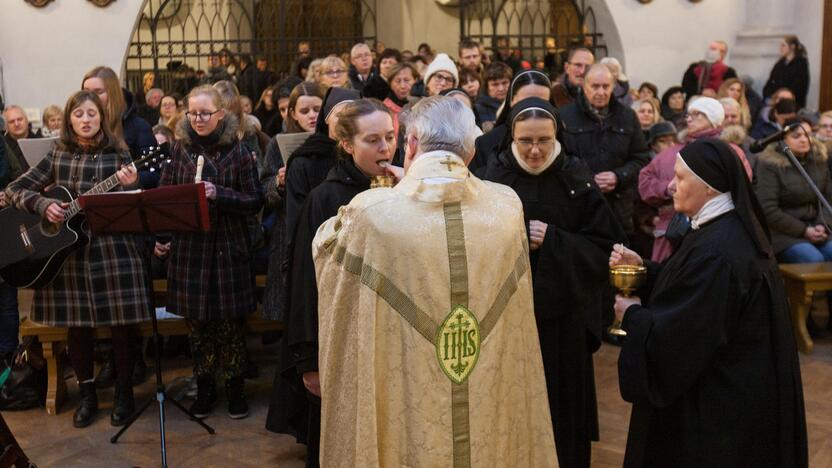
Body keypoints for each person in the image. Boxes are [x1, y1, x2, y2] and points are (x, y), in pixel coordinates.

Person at [313, 95, 558, 466]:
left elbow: (325, 245)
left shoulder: (372, 212)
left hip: (406, 388)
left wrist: (389, 194)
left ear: (411, 144)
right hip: (486, 381)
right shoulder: (506, 208)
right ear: (471, 150)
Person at [611, 138, 807, 467]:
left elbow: (685, 334)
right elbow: (689, 288)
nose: (671, 185)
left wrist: (632, 317)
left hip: (717, 408)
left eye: (681, 177)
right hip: (730, 390)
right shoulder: (717, 230)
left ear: (710, 188)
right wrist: (644, 271)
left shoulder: (719, 251)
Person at [482, 97, 624, 468]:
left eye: (543, 140)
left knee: (563, 415)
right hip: (507, 318)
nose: (534, 150)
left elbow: (606, 248)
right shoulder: (492, 180)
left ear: (556, 135)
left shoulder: (577, 177)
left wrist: (555, 240)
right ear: (511, 135)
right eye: (525, 140)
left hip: (565, 323)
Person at [5, 90, 152, 428]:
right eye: (79, 114)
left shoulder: (119, 155)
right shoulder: (57, 155)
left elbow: (134, 205)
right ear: (70, 120)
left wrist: (133, 183)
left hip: (114, 250)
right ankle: (86, 393)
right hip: (67, 256)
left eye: (92, 114)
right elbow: (16, 189)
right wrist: (43, 205)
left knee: (121, 327)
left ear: (102, 118)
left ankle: (124, 394)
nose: (86, 120)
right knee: (78, 328)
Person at [267, 98, 395, 468]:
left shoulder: (401, 189)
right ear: (347, 144)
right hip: (339, 341)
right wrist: (309, 360)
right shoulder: (327, 198)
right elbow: (306, 284)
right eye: (372, 140)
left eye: (389, 137)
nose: (385, 148)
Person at [159, 85, 263, 420]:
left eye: (206, 113)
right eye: (193, 113)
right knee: (199, 328)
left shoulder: (240, 151)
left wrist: (219, 193)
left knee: (229, 328)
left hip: (227, 249)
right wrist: (165, 232)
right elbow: (164, 196)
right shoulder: (179, 151)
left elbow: (255, 200)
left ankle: (234, 389)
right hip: (191, 250)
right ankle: (204, 388)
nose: (199, 119)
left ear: (221, 114)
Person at [639, 97, 752, 263]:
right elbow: (644, 181)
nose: (689, 118)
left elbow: (741, 188)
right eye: (688, 114)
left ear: (713, 118)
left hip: (716, 233)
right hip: (670, 231)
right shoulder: (673, 151)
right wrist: (667, 188)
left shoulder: (730, 152)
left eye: (697, 114)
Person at [755, 120, 832, 335]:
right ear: (783, 140)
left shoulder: (819, 160)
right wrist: (804, 231)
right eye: (797, 135)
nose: (804, 139)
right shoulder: (770, 163)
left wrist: (821, 225)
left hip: (818, 228)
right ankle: (802, 323)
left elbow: (827, 199)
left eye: (808, 135)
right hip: (784, 233)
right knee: (812, 259)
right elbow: (767, 209)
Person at [559, 64, 650, 236]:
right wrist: (588, 179)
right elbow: (560, 160)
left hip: (619, 210)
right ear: (584, 86)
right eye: (595, 86)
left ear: (613, 87)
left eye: (606, 86)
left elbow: (641, 158)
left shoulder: (628, 116)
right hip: (580, 208)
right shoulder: (564, 116)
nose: (601, 92)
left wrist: (619, 176)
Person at [82, 66, 157, 188]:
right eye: (86, 92)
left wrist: (136, 180)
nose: (90, 97)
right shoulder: (79, 127)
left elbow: (155, 175)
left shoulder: (138, 127)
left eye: (98, 92)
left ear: (113, 94)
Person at [471, 69, 552, 175]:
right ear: (511, 101)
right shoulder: (486, 144)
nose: (533, 108)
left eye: (542, 102)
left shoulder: (566, 144)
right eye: (525, 102)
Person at [0, 137, 23, 366]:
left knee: (7, 297)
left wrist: (8, 194)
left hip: (3, 228)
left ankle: (7, 358)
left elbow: (20, 179)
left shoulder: (2, 144)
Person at [763, 35, 810, 110]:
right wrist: (769, 96)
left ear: (792, 46)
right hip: (775, 102)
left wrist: (781, 97)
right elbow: (770, 82)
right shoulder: (779, 64)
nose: (780, 48)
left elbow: (799, 88)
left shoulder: (801, 64)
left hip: (792, 105)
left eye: (783, 45)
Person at [382, 62, 418, 136]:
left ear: (415, 80)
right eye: (397, 81)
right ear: (390, 84)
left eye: (407, 80)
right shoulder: (384, 110)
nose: (402, 86)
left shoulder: (423, 105)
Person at [3, 105, 42, 171]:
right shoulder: (2, 147)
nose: (16, 124)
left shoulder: (41, 142)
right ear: (6, 125)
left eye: (20, 119)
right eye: (11, 121)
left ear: (27, 120)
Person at [475, 62, 512, 126]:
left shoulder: (517, 104)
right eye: (495, 84)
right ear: (486, 87)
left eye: (505, 83)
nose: (501, 89)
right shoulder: (477, 110)